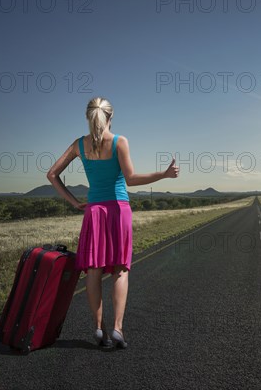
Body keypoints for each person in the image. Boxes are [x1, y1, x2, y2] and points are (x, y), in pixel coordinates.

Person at [47, 97, 179, 349]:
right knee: (119, 270)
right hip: (119, 210)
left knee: (94, 271)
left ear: (89, 117)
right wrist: (163, 175)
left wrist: (75, 203)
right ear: (110, 117)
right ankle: (118, 329)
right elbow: (130, 179)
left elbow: (52, 175)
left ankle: (99, 329)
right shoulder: (120, 142)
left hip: (94, 211)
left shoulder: (79, 145)